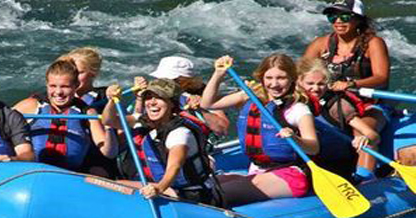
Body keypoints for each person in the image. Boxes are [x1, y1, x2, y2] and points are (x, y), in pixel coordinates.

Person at [201, 54, 319, 206]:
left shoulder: (298, 109)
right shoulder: (249, 96)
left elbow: (313, 147)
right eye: (269, 78)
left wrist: (294, 138)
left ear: (292, 79)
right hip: (258, 169)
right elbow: (208, 103)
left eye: (281, 78)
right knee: (203, 186)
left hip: (290, 174)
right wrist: (218, 74)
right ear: (262, 78)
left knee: (215, 193)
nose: (274, 84)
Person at [303, 0, 390, 182]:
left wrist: (352, 84)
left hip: (369, 105)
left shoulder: (374, 43)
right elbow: (301, 72)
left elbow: (382, 77)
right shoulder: (321, 44)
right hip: (332, 104)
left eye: (344, 16)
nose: (338, 21)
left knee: (362, 133)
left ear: (358, 20)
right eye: (332, 16)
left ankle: (366, 178)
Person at [102, 78, 222, 205]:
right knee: (113, 186)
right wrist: (111, 101)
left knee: (118, 187)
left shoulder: (180, 133)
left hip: (191, 194)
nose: (152, 102)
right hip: (169, 188)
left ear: (172, 103)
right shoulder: (143, 120)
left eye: (159, 98)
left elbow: (174, 167)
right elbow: (108, 121)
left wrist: (159, 188)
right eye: (148, 98)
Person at [13, 59, 117, 173]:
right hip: (31, 172)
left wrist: (109, 127)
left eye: (65, 86)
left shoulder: (87, 113)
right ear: (47, 85)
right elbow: (1, 126)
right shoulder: (30, 105)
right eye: (53, 86)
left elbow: (109, 153)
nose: (58, 92)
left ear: (76, 85)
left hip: (69, 175)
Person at [297, 57, 380, 181]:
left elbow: (373, 135)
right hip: (309, 161)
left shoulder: (337, 106)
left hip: (339, 164)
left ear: (328, 83)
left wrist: (365, 138)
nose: (315, 89)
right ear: (299, 82)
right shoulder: (293, 102)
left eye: (321, 84)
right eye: (310, 84)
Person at [133, 56, 230, 137]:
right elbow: (137, 118)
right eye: (162, 78)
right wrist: (139, 96)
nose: (165, 83)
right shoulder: (155, 92)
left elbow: (223, 130)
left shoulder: (205, 95)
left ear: (186, 80)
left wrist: (201, 109)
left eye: (171, 79)